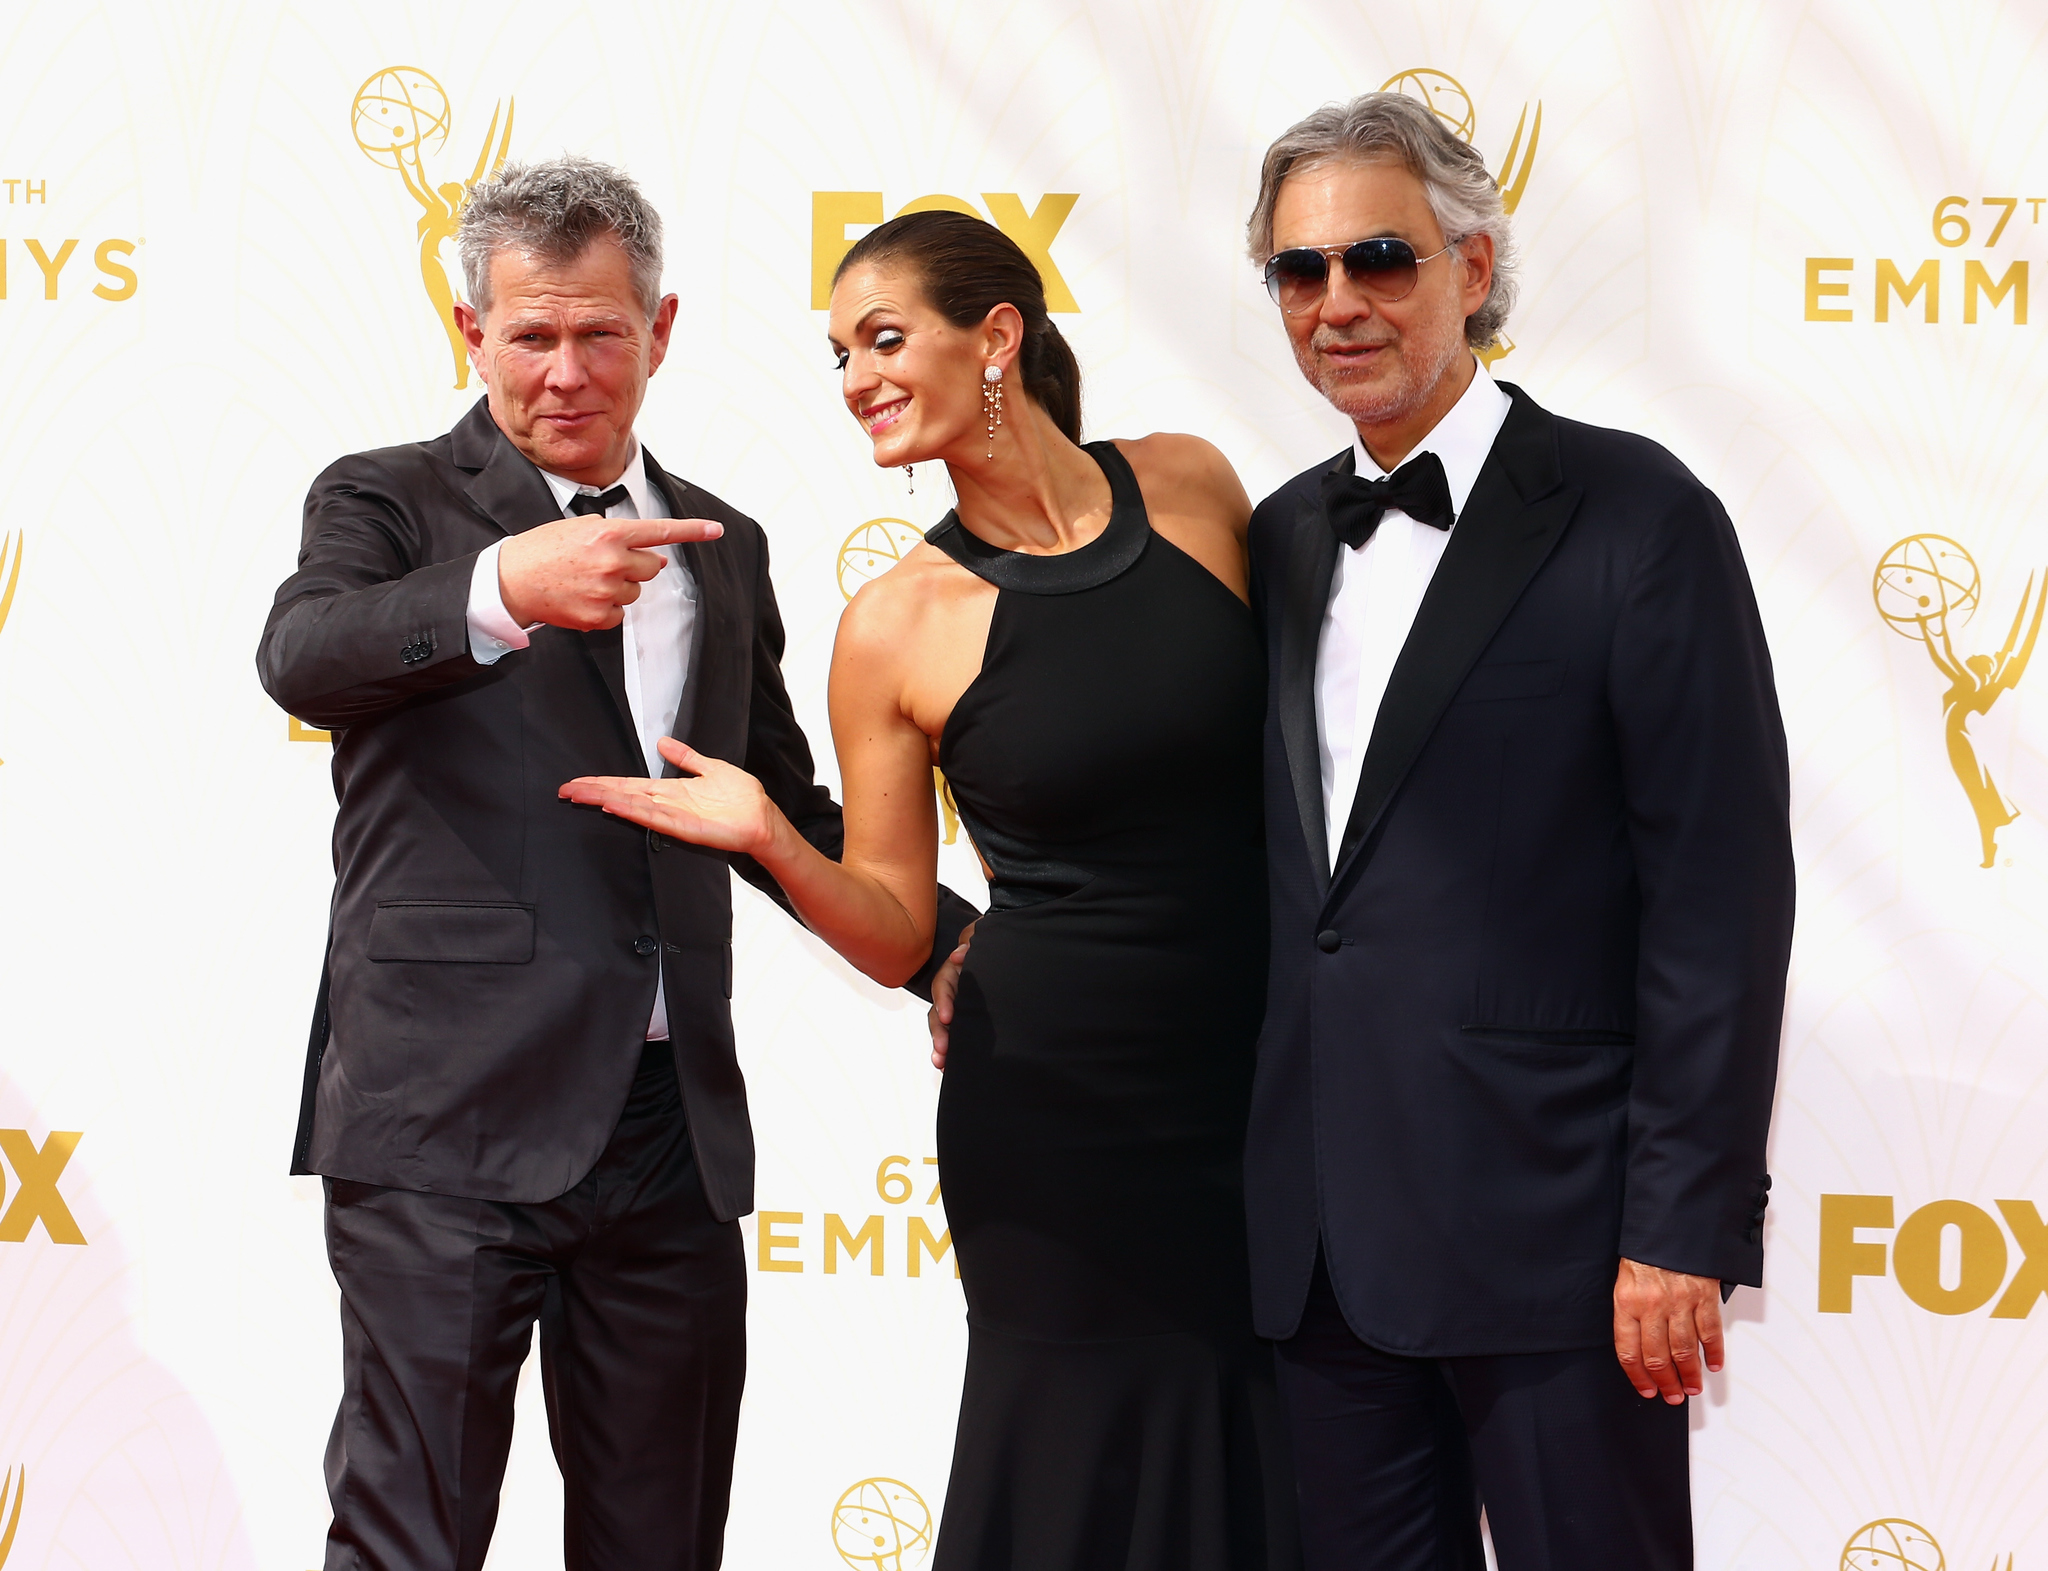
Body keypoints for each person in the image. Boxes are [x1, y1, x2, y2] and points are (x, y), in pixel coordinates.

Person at [257, 156, 974, 1571]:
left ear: (662, 329)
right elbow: (303, 656)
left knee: (661, 1546)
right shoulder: (387, 501)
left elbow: (766, 800)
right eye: (530, 336)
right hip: (442, 1125)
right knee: (415, 1540)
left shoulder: (724, 542)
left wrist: (946, 940)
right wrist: (498, 589)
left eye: (601, 332)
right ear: (474, 337)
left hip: (666, 1134)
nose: (567, 370)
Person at [562, 209, 1300, 1570]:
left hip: (1271, 1077)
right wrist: (774, 837)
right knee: (1075, 1448)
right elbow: (899, 920)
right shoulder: (897, 621)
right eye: (841, 354)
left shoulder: (1195, 488)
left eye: (885, 338)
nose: (856, 378)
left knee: (1279, 1450)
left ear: (999, 334)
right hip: (1060, 1118)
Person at [1228, 93, 1794, 1569]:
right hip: (1323, 1253)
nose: (1338, 301)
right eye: (1301, 270)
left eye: (1381, 258)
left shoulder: (1635, 515)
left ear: (1474, 270)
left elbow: (1717, 899)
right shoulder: (1277, 538)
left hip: (1560, 1244)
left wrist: (1678, 1226)